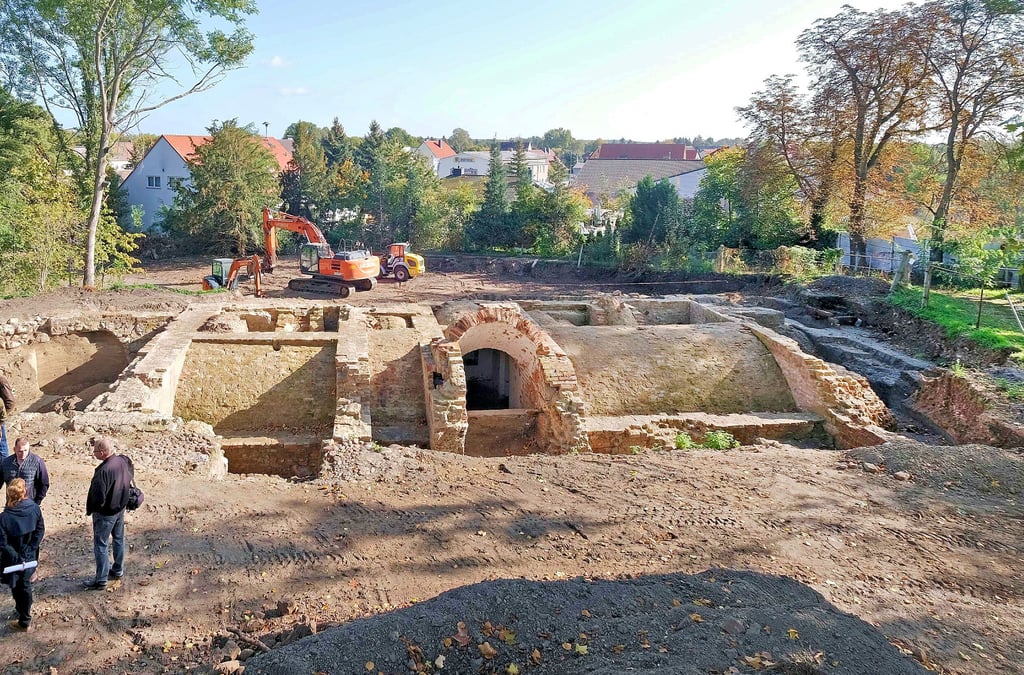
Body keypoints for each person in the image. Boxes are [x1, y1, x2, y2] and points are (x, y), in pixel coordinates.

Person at [84, 437, 133, 590]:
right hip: (120, 508)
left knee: (101, 545)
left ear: (103, 452)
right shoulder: (122, 461)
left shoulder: (103, 471)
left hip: (105, 514)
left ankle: (101, 579)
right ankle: (118, 570)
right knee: (118, 539)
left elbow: (98, 497)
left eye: (96, 451)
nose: (94, 453)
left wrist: (94, 509)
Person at [0, 479, 44, 632]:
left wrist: (15, 556)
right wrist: (30, 549)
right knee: (25, 586)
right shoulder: (34, 509)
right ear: (24, 491)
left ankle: (22, 615)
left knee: (16, 586)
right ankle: (23, 614)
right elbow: (40, 530)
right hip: (29, 556)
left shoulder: (4, 517)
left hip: (11, 560)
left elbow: (3, 543)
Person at [1, 439, 50, 505]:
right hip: (11, 505)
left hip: (29, 504)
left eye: (26, 450)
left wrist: (38, 501)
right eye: (20, 451)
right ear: (14, 449)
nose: (23, 454)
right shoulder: (6, 463)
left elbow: (44, 483)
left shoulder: (37, 462)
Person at [0, 373, 14, 459]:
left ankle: (5, 470)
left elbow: (10, 402)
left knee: (2, 448)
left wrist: (2, 418)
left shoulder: (1, 380)